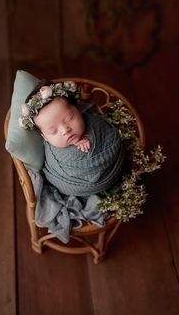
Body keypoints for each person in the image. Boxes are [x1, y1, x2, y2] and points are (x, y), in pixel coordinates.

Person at [19, 79, 125, 243]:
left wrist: (86, 137)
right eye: (53, 131)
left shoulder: (94, 123)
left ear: (78, 109)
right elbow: (51, 166)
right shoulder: (52, 150)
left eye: (69, 118)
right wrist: (74, 145)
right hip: (68, 182)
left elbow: (111, 136)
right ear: (44, 137)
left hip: (110, 173)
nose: (65, 130)